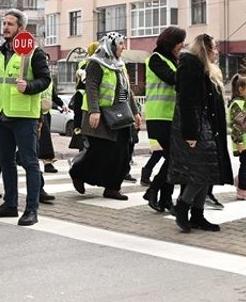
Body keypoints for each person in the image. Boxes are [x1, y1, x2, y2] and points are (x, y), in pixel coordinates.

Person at [0, 9, 53, 227]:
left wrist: (30, 87)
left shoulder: (34, 53)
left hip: (25, 117)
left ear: (21, 28)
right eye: (4, 23)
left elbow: (45, 80)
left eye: (10, 24)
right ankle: (10, 204)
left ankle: (31, 209)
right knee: (5, 161)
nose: (5, 27)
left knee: (29, 162)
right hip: (3, 117)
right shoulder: (0, 54)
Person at [168, 33, 233, 232]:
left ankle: (197, 215)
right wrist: (191, 134)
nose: (217, 51)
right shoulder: (191, 68)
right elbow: (187, 103)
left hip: (206, 126)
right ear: (205, 49)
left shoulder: (206, 70)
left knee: (208, 171)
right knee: (202, 172)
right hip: (194, 128)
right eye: (214, 47)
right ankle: (183, 205)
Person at [71, 31, 141, 202]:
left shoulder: (120, 64)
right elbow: (91, 88)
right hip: (100, 116)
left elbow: (126, 90)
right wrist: (94, 111)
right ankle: (77, 172)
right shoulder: (95, 63)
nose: (124, 47)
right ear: (111, 45)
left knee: (122, 152)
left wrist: (135, 111)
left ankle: (112, 187)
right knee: (99, 151)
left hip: (120, 115)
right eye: (121, 44)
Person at [142, 27, 185, 213]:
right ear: (171, 42)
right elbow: (171, 78)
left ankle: (164, 197)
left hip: (172, 117)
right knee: (174, 158)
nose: (181, 46)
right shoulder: (156, 59)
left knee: (174, 159)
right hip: (159, 116)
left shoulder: (173, 60)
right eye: (179, 42)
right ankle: (155, 192)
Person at [38, 76, 66, 173]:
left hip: (47, 112)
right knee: (40, 138)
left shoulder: (49, 81)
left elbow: (53, 96)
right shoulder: (36, 77)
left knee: (44, 138)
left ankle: (46, 163)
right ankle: (45, 162)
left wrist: (62, 104)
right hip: (35, 111)